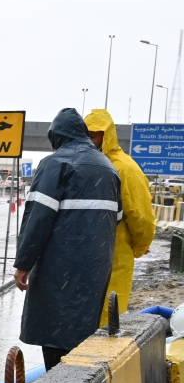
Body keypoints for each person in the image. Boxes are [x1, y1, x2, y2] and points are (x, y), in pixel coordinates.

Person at [15, 108, 121, 370]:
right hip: (96, 265)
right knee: (82, 333)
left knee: (55, 333)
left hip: (59, 265)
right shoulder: (108, 168)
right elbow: (116, 218)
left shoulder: (55, 164)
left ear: (57, 137)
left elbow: (38, 219)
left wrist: (23, 263)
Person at [84, 109, 155, 326]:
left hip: (115, 255)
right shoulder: (90, 164)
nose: (89, 141)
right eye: (85, 135)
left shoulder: (125, 169)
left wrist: (139, 246)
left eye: (93, 136)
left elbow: (141, 217)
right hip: (88, 254)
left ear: (108, 136)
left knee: (107, 316)